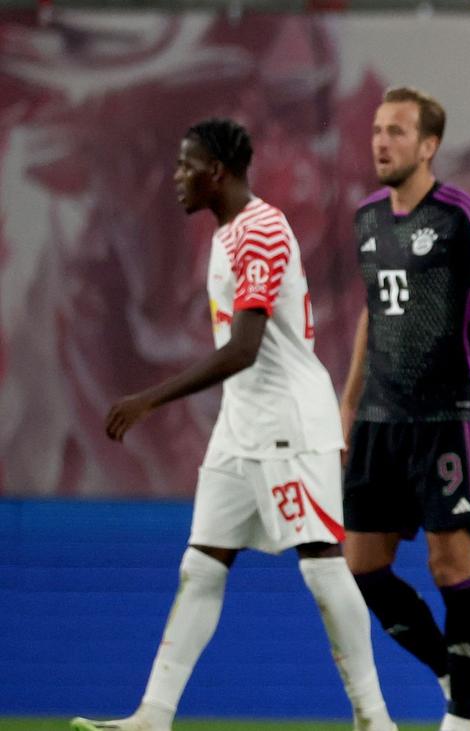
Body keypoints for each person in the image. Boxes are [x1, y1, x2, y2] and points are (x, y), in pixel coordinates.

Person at [72, 119, 396, 731]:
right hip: (241, 423)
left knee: (322, 567)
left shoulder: (262, 230)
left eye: (185, 165)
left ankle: (375, 719)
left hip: (287, 422)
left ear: (216, 171)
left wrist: (151, 399)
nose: (176, 177)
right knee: (200, 566)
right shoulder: (226, 235)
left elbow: (245, 348)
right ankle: (153, 715)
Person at [339, 86, 470, 731]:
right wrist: (347, 402)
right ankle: (457, 674)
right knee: (362, 567)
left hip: (447, 419)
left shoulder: (464, 217)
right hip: (379, 421)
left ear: (429, 145)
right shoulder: (366, 220)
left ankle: (460, 719)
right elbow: (371, 316)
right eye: (377, 130)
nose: (381, 142)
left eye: (397, 132)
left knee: (451, 566)